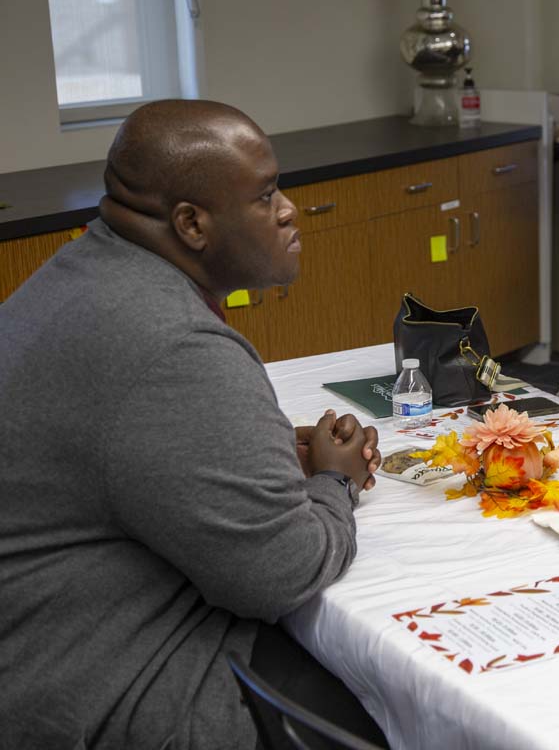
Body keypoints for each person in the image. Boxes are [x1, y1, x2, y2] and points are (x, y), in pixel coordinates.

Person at [0, 100, 388, 748]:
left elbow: (132, 452)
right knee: (388, 707)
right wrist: (334, 481)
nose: (289, 210)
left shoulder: (80, 276)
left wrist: (253, 458)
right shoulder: (176, 343)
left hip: (38, 653)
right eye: (266, 197)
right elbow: (282, 573)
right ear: (191, 224)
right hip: (103, 691)